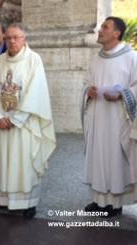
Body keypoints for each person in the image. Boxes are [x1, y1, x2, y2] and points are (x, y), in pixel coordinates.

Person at [0, 23, 56, 219]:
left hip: (24, 125)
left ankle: (29, 203)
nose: (12, 41)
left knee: (23, 163)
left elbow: (36, 94)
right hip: (2, 124)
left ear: (25, 39)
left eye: (16, 37)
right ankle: (5, 200)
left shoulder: (34, 61)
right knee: (5, 162)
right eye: (8, 38)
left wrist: (14, 119)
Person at [82, 16, 137, 217]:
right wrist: (89, 91)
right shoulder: (96, 58)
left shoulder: (131, 58)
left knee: (114, 158)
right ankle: (99, 200)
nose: (100, 30)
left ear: (117, 33)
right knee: (98, 156)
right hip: (97, 117)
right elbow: (86, 82)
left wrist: (121, 94)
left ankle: (115, 203)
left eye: (105, 27)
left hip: (118, 119)